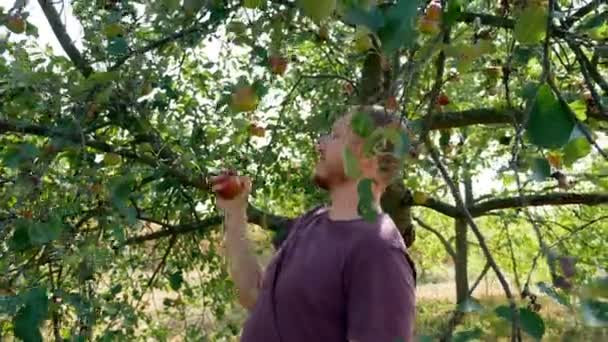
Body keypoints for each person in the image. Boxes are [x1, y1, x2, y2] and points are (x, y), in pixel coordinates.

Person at [212, 105, 417, 342]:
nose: (320, 142)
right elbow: (254, 296)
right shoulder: (312, 221)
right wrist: (235, 213)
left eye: (336, 136)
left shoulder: (378, 251)